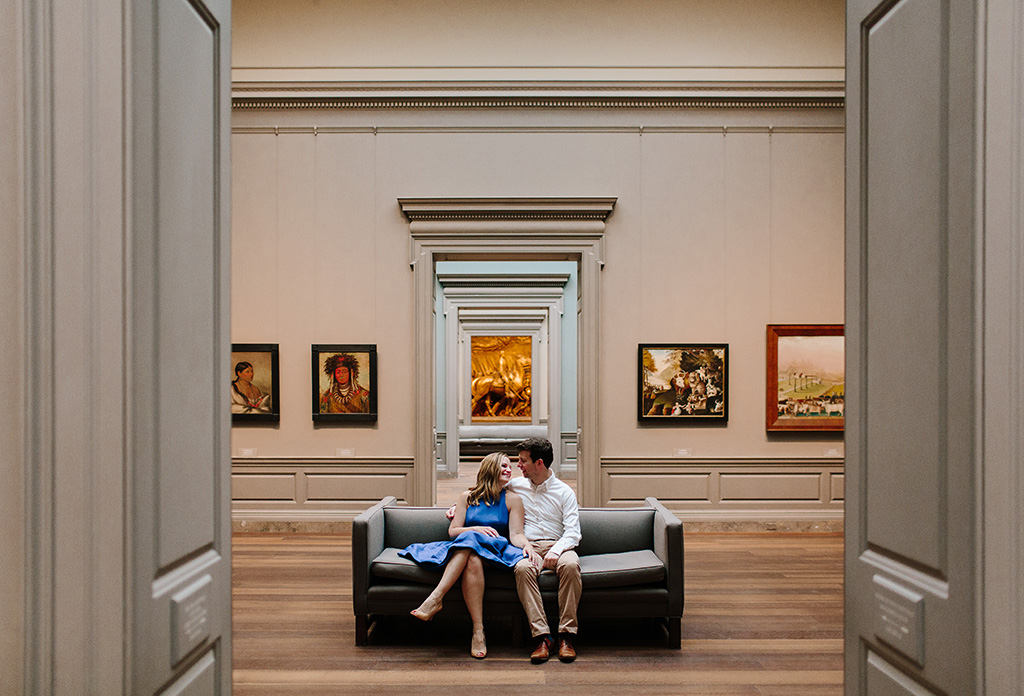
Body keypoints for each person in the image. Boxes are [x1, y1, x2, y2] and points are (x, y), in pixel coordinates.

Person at [400, 452, 525, 659]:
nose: (509, 470)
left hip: (497, 551)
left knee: (470, 544)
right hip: (471, 550)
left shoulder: (513, 499)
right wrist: (476, 528)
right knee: (472, 557)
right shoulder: (467, 497)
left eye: (510, 466)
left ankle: (435, 598)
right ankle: (478, 631)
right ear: (490, 469)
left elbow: (515, 535)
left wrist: (527, 546)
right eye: (503, 466)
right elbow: (453, 531)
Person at [508, 437, 582, 664]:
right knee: (521, 569)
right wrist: (458, 506)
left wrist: (556, 551)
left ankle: (566, 636)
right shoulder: (515, 485)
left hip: (559, 544)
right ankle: (542, 637)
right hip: (529, 546)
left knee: (570, 565)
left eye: (523, 461)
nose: (518, 465)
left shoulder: (564, 492)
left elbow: (573, 533)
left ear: (539, 463)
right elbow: (485, 492)